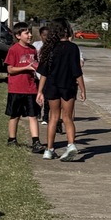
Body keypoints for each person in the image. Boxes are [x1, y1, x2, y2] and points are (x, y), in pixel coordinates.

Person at [36, 17, 86, 161]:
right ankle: (71, 145)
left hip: (52, 86)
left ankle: (49, 149)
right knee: (67, 117)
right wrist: (83, 89)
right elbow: (77, 71)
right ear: (67, 30)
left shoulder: (49, 48)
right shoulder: (72, 47)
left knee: (53, 117)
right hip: (68, 86)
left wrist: (39, 91)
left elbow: (43, 72)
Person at [4, 22, 43, 152]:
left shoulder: (32, 49)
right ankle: (12, 139)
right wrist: (25, 68)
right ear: (18, 35)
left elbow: (36, 65)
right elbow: (10, 69)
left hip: (31, 88)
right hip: (16, 88)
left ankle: (36, 142)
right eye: (26, 33)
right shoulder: (13, 50)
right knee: (15, 115)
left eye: (30, 32)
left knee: (33, 115)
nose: (30, 35)